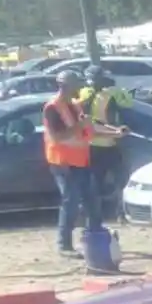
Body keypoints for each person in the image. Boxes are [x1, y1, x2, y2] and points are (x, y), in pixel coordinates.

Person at [44, 70, 101, 256]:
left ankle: (95, 239)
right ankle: (64, 245)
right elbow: (58, 136)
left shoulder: (76, 106)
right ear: (66, 86)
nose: (80, 88)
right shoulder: (52, 108)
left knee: (92, 201)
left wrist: (115, 133)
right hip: (63, 164)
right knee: (71, 203)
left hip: (81, 161)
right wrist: (80, 126)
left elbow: (86, 132)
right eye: (77, 85)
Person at [77, 64, 135, 199]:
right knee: (120, 180)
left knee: (97, 181)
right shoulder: (111, 93)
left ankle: (96, 211)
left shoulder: (84, 92)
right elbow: (128, 103)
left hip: (93, 143)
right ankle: (118, 211)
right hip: (110, 142)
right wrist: (117, 89)